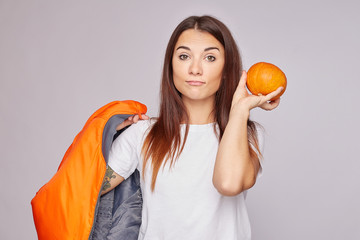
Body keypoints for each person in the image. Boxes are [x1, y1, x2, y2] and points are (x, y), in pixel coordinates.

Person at [101, 15, 282, 240]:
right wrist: (105, 132)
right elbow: (83, 190)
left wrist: (239, 110)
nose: (195, 69)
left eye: (210, 57)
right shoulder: (142, 133)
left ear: (227, 70)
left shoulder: (246, 134)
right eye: (184, 56)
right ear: (171, 65)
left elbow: (228, 184)